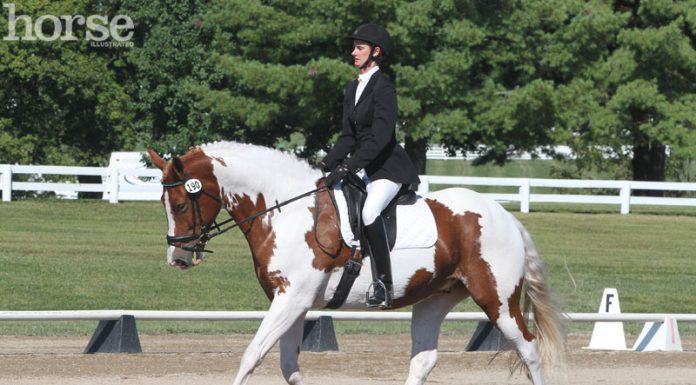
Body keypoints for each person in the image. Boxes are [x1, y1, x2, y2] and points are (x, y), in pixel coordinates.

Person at [317, 23, 420, 308]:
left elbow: (381, 137)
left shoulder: (384, 87)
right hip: (362, 165)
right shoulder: (353, 87)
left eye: (359, 48)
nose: (353, 52)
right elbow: (349, 136)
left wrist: (349, 167)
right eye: (354, 48)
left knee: (370, 211)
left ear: (375, 52)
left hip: (387, 168)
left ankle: (383, 285)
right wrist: (326, 164)